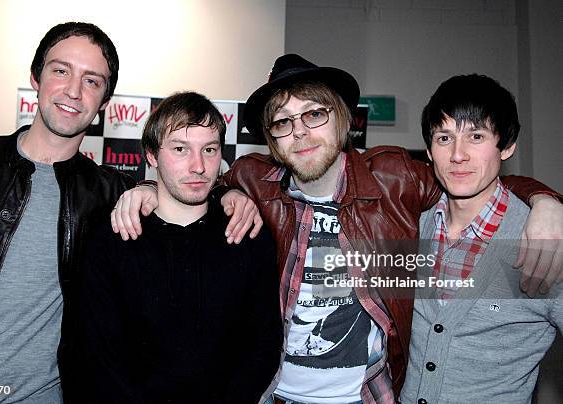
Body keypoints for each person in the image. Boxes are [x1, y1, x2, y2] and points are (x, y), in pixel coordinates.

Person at [112, 54, 563, 403]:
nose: (300, 133)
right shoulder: (252, 181)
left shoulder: (396, 180)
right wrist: (148, 187)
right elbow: (193, 184)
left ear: (343, 120)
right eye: (283, 122)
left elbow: (468, 177)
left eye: (315, 115)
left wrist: (545, 201)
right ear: (270, 137)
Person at [0, 22, 259, 403]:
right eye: (61, 70)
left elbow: (180, 191)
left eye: (92, 81)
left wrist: (229, 195)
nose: (74, 91)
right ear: (36, 77)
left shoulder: (111, 191)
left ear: (105, 103)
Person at [73, 91, 282, 403]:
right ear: (152, 156)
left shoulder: (247, 232)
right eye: (180, 149)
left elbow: (263, 345)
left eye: (209, 150)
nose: (198, 166)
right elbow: (97, 355)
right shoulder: (111, 238)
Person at [400, 74, 562, 404]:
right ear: (429, 151)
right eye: (444, 138)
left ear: (508, 145)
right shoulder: (410, 227)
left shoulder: (545, 243)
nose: (457, 155)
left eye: (476, 136)